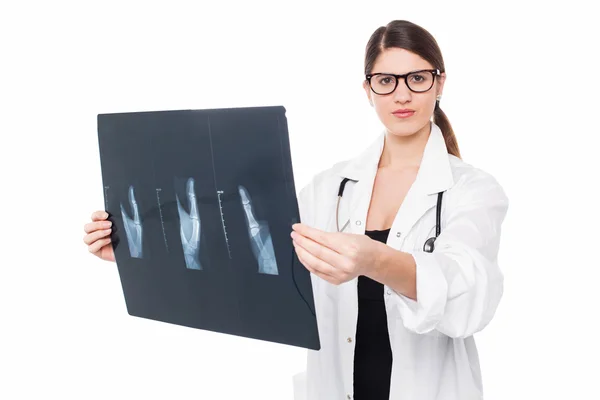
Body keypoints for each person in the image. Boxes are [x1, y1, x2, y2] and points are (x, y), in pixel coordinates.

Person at [83, 19, 509, 400]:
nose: (402, 94)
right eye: (386, 80)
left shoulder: (472, 190)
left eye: (416, 78)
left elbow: (469, 291)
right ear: (367, 89)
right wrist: (136, 251)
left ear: (439, 82)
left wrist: (374, 258)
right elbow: (248, 258)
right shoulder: (330, 188)